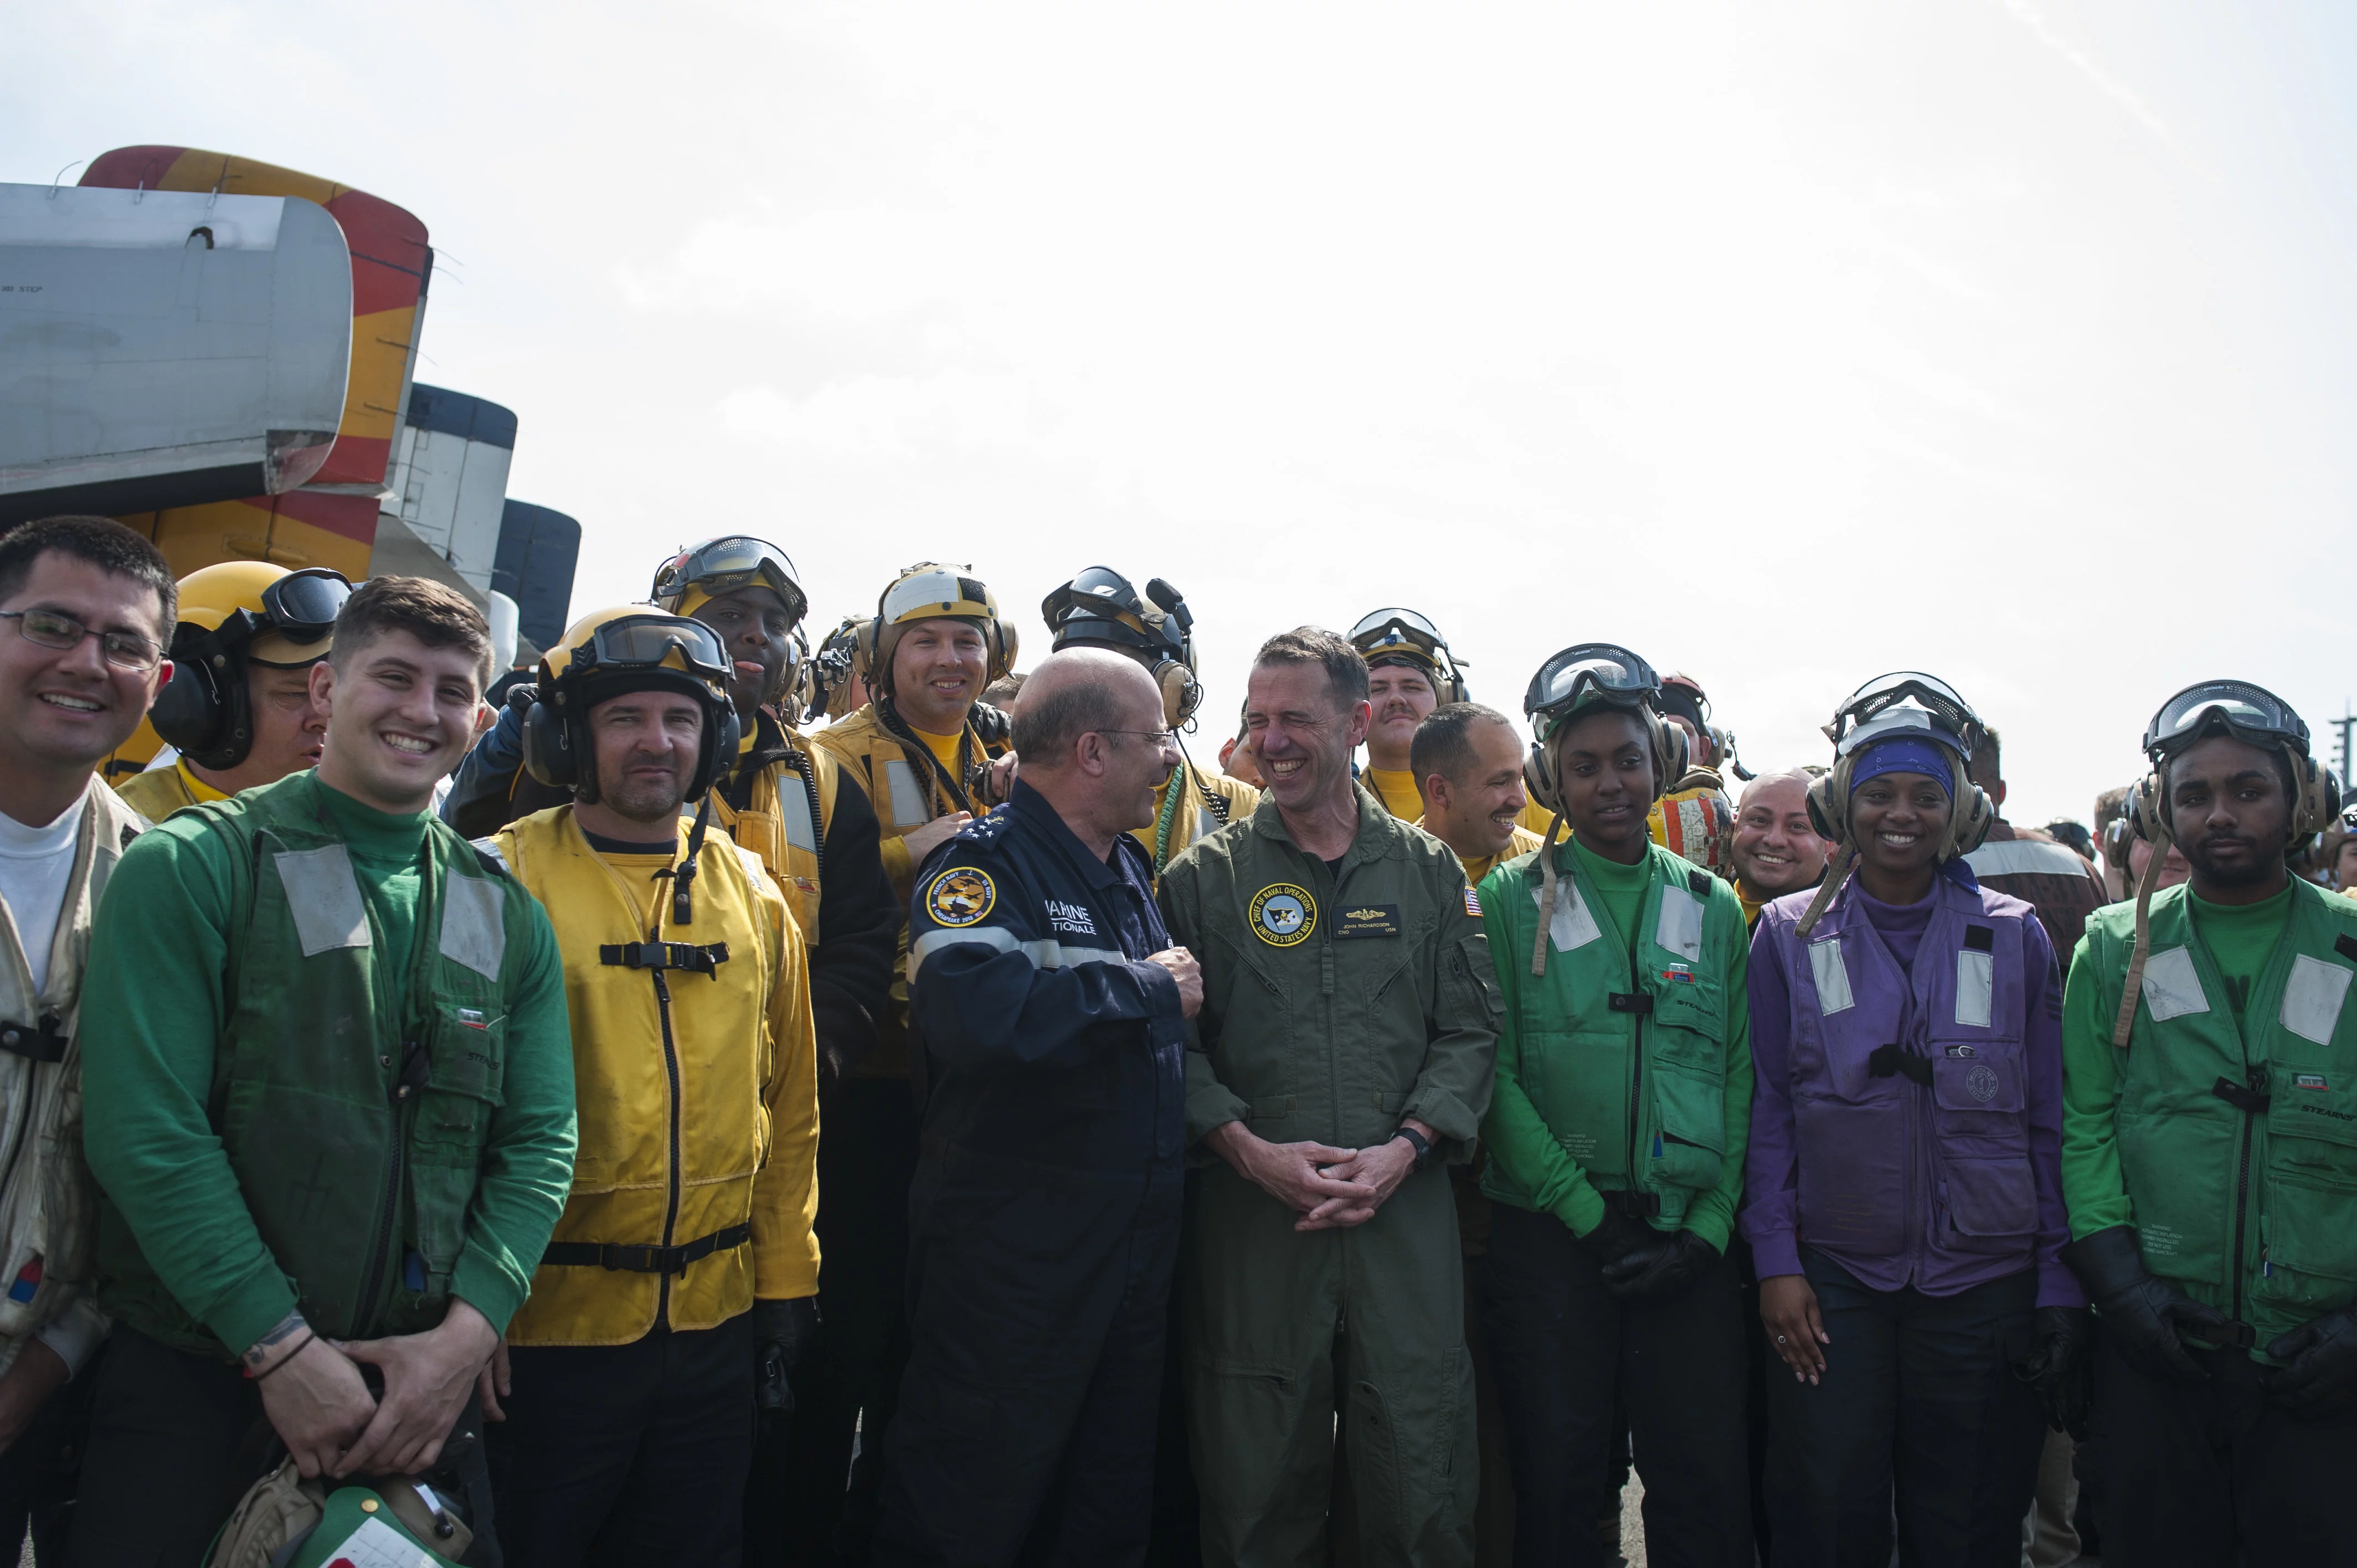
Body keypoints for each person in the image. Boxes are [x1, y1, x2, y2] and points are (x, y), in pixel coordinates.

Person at [71, 576, 577, 1566]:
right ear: (325, 690)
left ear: (479, 718)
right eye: (391, 676)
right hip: (200, 1384)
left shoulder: (504, 909)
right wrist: (280, 1349)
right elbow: (147, 1133)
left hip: (417, 1399)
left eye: (448, 692)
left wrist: (467, 1335)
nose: (418, 711)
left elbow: (539, 1139)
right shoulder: (194, 867)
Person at [473, 606, 818, 1566]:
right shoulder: (499, 881)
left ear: (713, 738)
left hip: (715, 1329)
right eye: (625, 717)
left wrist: (787, 1283)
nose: (655, 741)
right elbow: (441, 1121)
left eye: (679, 718)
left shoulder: (754, 895)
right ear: (567, 736)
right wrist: (466, 1309)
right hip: (542, 1330)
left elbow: (790, 1107)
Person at [1159, 627, 1495, 1568]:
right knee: (1254, 1487)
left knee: (1420, 1482)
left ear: (1355, 723)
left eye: (1295, 718)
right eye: (1256, 720)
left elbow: (1470, 1031)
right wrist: (1244, 1149)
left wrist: (1409, 1147)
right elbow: (1170, 1050)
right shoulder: (1202, 880)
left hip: (1403, 1216)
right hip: (1257, 1223)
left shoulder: (1428, 873)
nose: (1272, 741)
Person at [1742, 674, 2084, 1568]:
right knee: (1829, 1511)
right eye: (1879, 793)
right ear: (1840, 804)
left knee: (1970, 1522)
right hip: (1836, 1283)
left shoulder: (2015, 936)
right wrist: (1777, 1261)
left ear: (1960, 808)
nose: (1904, 814)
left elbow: (2047, 1118)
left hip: (1985, 1284)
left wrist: (2055, 1279)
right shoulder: (1784, 934)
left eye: (1927, 795)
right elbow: (1769, 1108)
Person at [874, 649, 1200, 1565]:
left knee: (1100, 1514)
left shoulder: (1127, 865)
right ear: (1093, 751)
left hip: (1127, 1264)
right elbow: (968, 1010)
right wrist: (1142, 986)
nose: (1171, 757)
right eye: (1154, 738)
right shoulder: (985, 864)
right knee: (966, 1507)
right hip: (1011, 1277)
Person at [2060, 680, 2357, 1564]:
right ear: (2162, 807)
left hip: (2318, 1361)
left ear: (2301, 799)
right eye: (2195, 795)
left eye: (2249, 791)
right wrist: (2122, 1291)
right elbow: (2085, 1125)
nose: (2220, 814)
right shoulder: (2115, 946)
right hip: (2160, 1350)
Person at [1471, 643, 1753, 1568]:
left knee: (1700, 1485)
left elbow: (1739, 1074)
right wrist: (1591, 1221)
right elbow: (1496, 1077)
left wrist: (1708, 1230)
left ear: (1661, 765)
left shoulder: (1713, 907)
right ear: (1553, 778)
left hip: (1686, 1241)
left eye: (1627, 760)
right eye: (1583, 767)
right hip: (1554, 1242)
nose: (1610, 785)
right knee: (1558, 1485)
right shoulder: (1510, 899)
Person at [807, 561, 1017, 1557]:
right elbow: (804, 896)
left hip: (970, 1085)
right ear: (883, 660)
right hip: (869, 1087)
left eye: (968, 640)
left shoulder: (1001, 752)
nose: (951, 658)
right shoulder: (831, 758)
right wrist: (916, 848)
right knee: (845, 1330)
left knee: (933, 1339)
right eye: (927, 640)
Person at [0, 517, 176, 1562]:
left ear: (158, 678)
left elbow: (139, 1177)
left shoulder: (157, 884)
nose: (83, 664)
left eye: (119, 644)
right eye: (52, 625)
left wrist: (40, 1374)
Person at [1405, 700, 1541, 1568]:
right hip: (1425, 1192)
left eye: (1521, 778)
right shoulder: (1388, 872)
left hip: (1529, 1190)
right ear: (1438, 790)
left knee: (1525, 1412)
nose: (1518, 800)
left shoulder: (1544, 872)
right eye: (1499, 782)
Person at [1042, 566, 1257, 877]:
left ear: (1176, 689)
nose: (1088, 696)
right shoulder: (1018, 788)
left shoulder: (1240, 806)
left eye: (1117, 675)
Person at [115, 561, 350, 820]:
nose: (326, 716)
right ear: (197, 704)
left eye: (330, 692)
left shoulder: (365, 822)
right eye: (295, 694)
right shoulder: (124, 840)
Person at [1349, 608, 1469, 822]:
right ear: (1353, 715)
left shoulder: (1510, 796)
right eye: (1377, 689)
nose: (1396, 699)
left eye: (1412, 687)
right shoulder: (1325, 805)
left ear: (1448, 700)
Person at [1727, 768, 1832, 928]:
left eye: (1797, 826)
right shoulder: (1698, 900)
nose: (1775, 840)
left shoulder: (1844, 922)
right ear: (1733, 828)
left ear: (1827, 843)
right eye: (1760, 820)